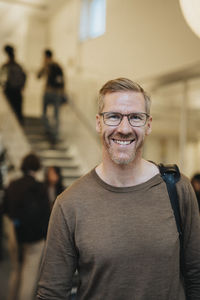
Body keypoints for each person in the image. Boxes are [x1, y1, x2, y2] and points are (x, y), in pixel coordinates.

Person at [36, 78, 200, 300]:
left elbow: (196, 276)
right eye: (113, 116)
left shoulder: (178, 189)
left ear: (148, 125)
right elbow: (51, 293)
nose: (124, 129)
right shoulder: (69, 203)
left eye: (135, 117)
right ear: (98, 123)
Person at [4, 153, 50, 300]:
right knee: (29, 273)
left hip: (15, 232)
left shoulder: (12, 185)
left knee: (16, 270)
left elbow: (4, 209)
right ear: (37, 167)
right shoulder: (40, 187)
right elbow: (46, 213)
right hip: (35, 238)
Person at [37, 49, 66, 144]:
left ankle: (48, 130)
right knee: (56, 115)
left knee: (44, 113)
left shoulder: (48, 65)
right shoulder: (58, 65)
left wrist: (44, 66)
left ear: (45, 56)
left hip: (48, 92)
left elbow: (38, 76)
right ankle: (55, 134)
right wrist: (63, 92)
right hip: (57, 93)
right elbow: (62, 81)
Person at [0, 45, 26, 124]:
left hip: (9, 90)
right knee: (17, 112)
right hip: (17, 91)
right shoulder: (18, 66)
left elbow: (2, 79)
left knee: (10, 112)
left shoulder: (6, 66)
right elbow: (24, 77)